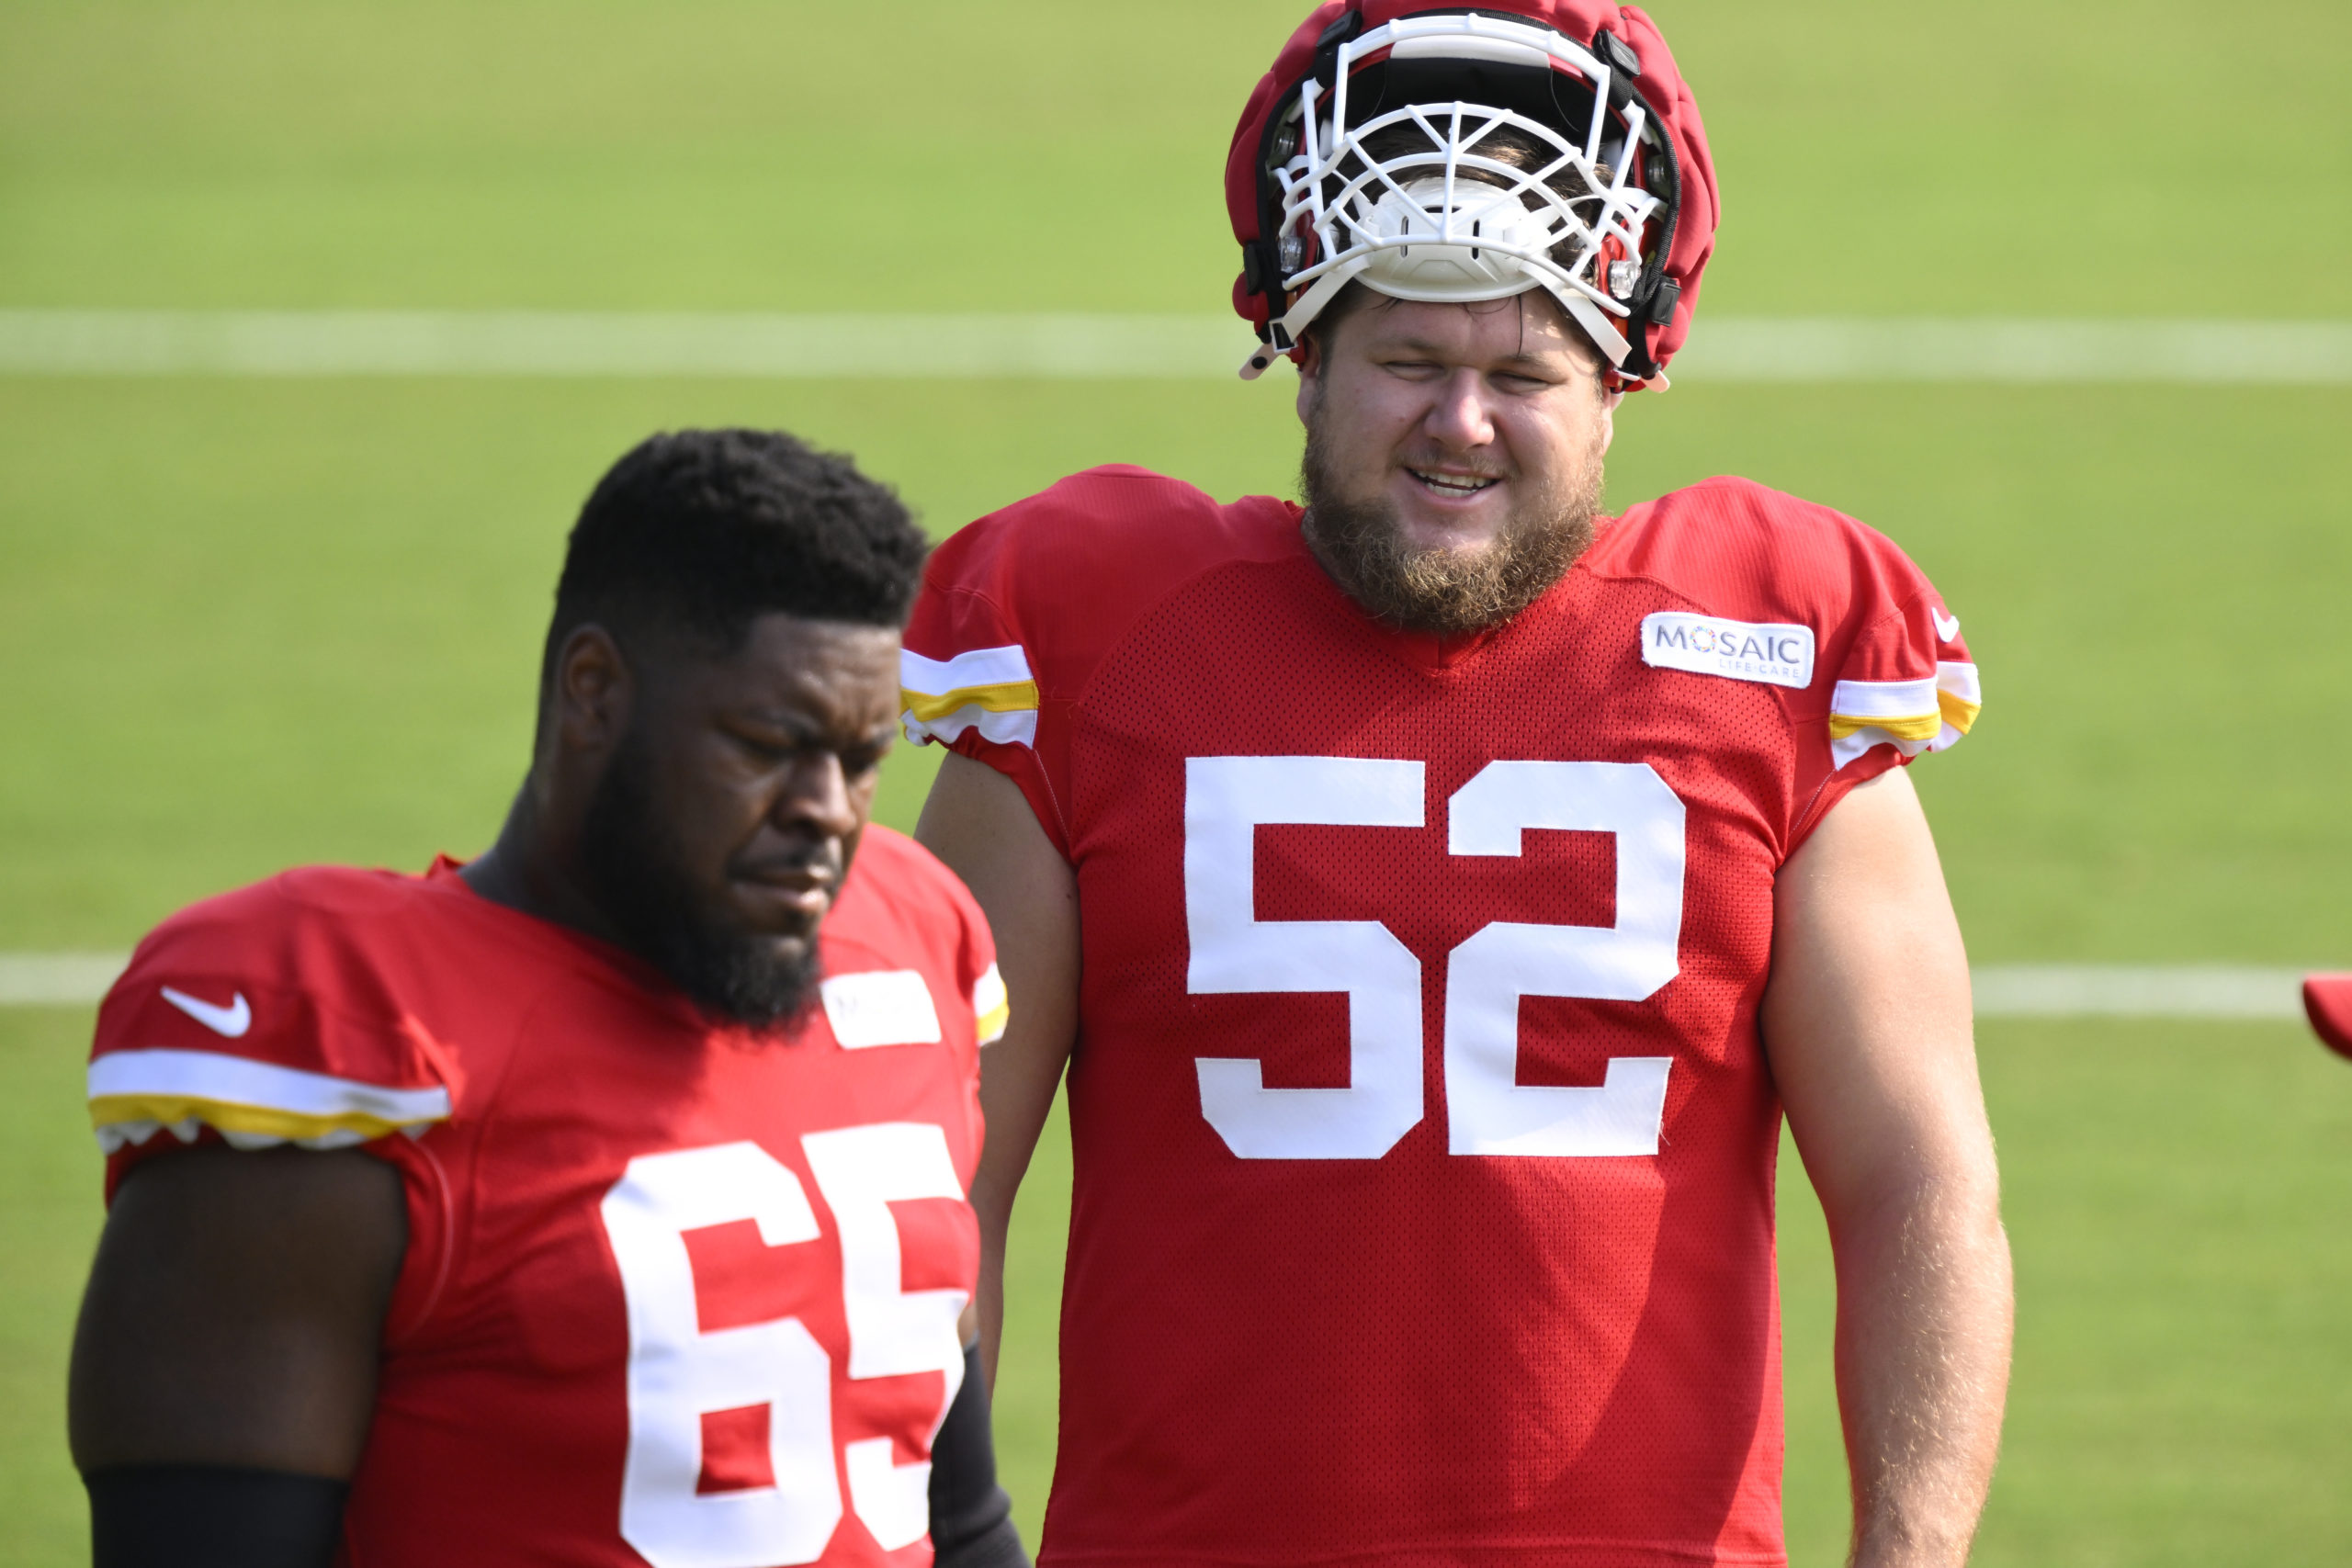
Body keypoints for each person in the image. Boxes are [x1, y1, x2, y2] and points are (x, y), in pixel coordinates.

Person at [904, 4, 2011, 1565]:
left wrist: (1912, 1552)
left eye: (1524, 369)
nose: (1461, 421)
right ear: (1302, 356)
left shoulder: (1773, 641)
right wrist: (934, 1537)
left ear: (1621, 382)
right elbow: (926, 1169)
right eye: (1408, 356)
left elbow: (1920, 1182)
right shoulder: (1093, 636)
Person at [70, 430, 1027, 1568]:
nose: (828, 810)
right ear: (592, 690)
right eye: (769, 744)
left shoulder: (909, 937)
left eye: (861, 756)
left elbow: (958, 1520)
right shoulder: (356, 1052)